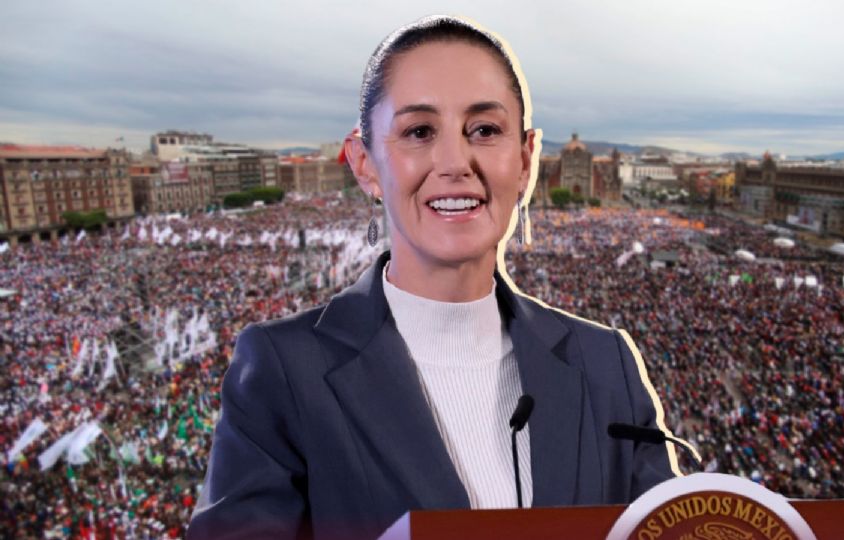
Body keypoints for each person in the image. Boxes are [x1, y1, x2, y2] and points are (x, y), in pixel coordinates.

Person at [188, 15, 683, 540]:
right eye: (419, 132)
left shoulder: (608, 364)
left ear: (525, 161)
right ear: (365, 163)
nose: (454, 162)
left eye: (485, 130)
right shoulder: (282, 370)